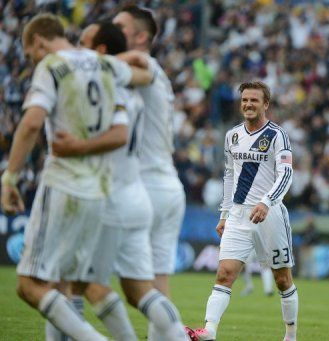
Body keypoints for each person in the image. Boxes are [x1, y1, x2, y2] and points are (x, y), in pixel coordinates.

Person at [45, 21, 189, 341]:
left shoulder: (104, 86)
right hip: (140, 195)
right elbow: (142, 71)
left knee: (69, 284)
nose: (77, 48)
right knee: (142, 292)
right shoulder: (132, 81)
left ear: (100, 50)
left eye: (83, 42)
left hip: (110, 197)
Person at [0, 13, 129, 341]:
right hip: (97, 190)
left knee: (29, 285)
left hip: (62, 186)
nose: (32, 61)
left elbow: (31, 123)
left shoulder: (52, 65)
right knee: (72, 283)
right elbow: (121, 127)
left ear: (39, 42)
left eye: (30, 55)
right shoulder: (105, 64)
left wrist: (9, 179)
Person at [190, 81, 298, 341]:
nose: (248, 104)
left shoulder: (277, 135)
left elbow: (286, 173)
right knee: (224, 273)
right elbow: (229, 176)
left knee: (282, 279)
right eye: (245, 100)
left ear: (266, 104)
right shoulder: (232, 135)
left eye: (254, 100)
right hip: (238, 215)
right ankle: (209, 331)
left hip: (269, 214)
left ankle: (291, 335)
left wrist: (267, 201)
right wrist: (225, 214)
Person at [113, 5, 186, 305]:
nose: (111, 31)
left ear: (141, 37)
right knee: (156, 286)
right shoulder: (156, 71)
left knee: (90, 277)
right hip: (167, 186)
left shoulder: (144, 63)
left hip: (145, 187)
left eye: (119, 27)